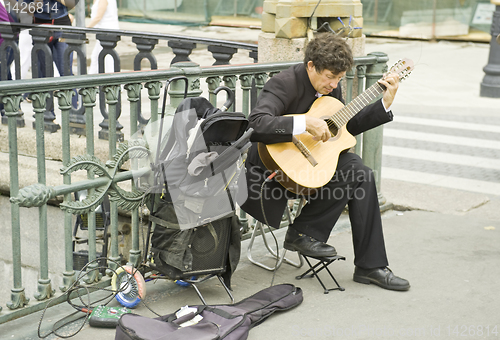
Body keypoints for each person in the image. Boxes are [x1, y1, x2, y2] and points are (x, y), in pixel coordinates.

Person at [240, 32, 410, 291]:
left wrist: (384, 103)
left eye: (339, 79)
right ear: (311, 66)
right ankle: (303, 233)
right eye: (330, 77)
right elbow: (256, 124)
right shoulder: (283, 83)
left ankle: (370, 266)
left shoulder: (331, 87)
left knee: (360, 173)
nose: (334, 85)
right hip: (275, 170)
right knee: (353, 174)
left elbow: (343, 126)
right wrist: (303, 123)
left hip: (314, 163)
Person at [87, 0, 119, 74]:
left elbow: (98, 17)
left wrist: (86, 28)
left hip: (106, 33)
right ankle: (92, 80)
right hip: (103, 32)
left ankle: (110, 80)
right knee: (96, 56)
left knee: (106, 58)